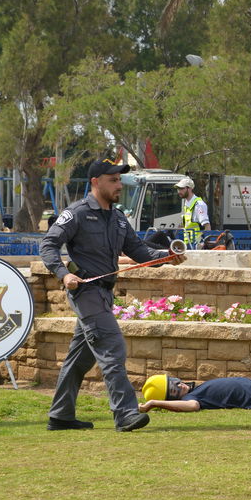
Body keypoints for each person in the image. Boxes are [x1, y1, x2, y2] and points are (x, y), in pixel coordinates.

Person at [40, 160, 182, 432]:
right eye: (113, 180)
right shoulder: (77, 213)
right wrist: (63, 273)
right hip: (86, 293)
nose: (119, 185)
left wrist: (168, 256)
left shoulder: (118, 218)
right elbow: (48, 245)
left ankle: (60, 415)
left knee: (78, 359)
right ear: (96, 181)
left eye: (119, 180)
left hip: (105, 294)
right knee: (112, 349)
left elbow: (140, 252)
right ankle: (126, 413)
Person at [176, 176, 210, 249]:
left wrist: (202, 243)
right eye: (178, 189)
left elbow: (207, 226)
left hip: (196, 245)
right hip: (188, 243)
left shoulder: (199, 204)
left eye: (182, 188)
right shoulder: (186, 204)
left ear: (189, 189)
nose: (179, 191)